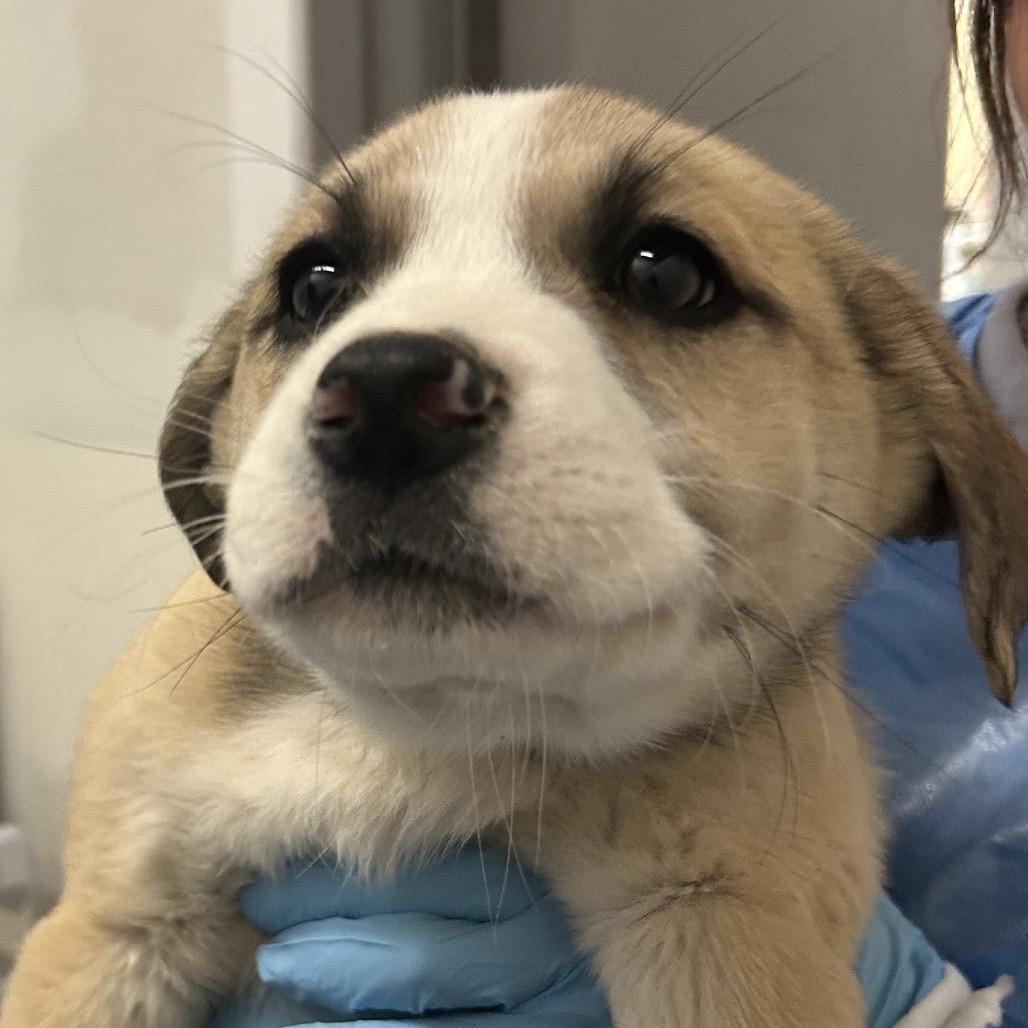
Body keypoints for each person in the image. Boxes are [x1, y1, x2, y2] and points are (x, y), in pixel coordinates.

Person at [212, 5, 1028, 1025]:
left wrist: (909, 1006)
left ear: (910, 446)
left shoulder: (882, 407)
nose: (385, 392)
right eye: (316, 288)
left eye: (665, 277)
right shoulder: (198, 700)